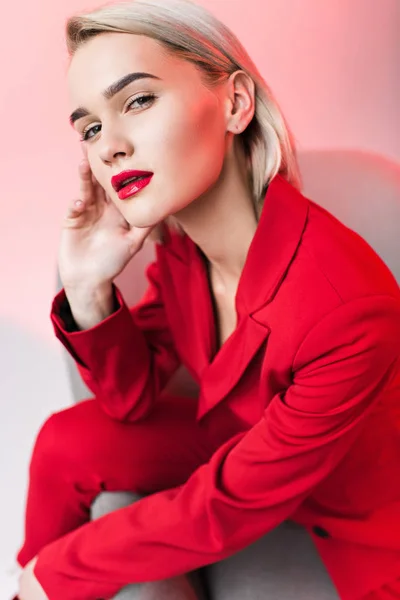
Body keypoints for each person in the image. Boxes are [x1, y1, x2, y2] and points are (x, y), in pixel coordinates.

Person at [14, 0, 400, 599]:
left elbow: (225, 508)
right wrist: (88, 289)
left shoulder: (349, 308)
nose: (109, 146)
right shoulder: (182, 252)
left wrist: (62, 570)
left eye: (137, 101)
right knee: (67, 442)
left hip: (362, 521)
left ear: (235, 103)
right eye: (89, 127)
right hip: (248, 443)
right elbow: (130, 399)